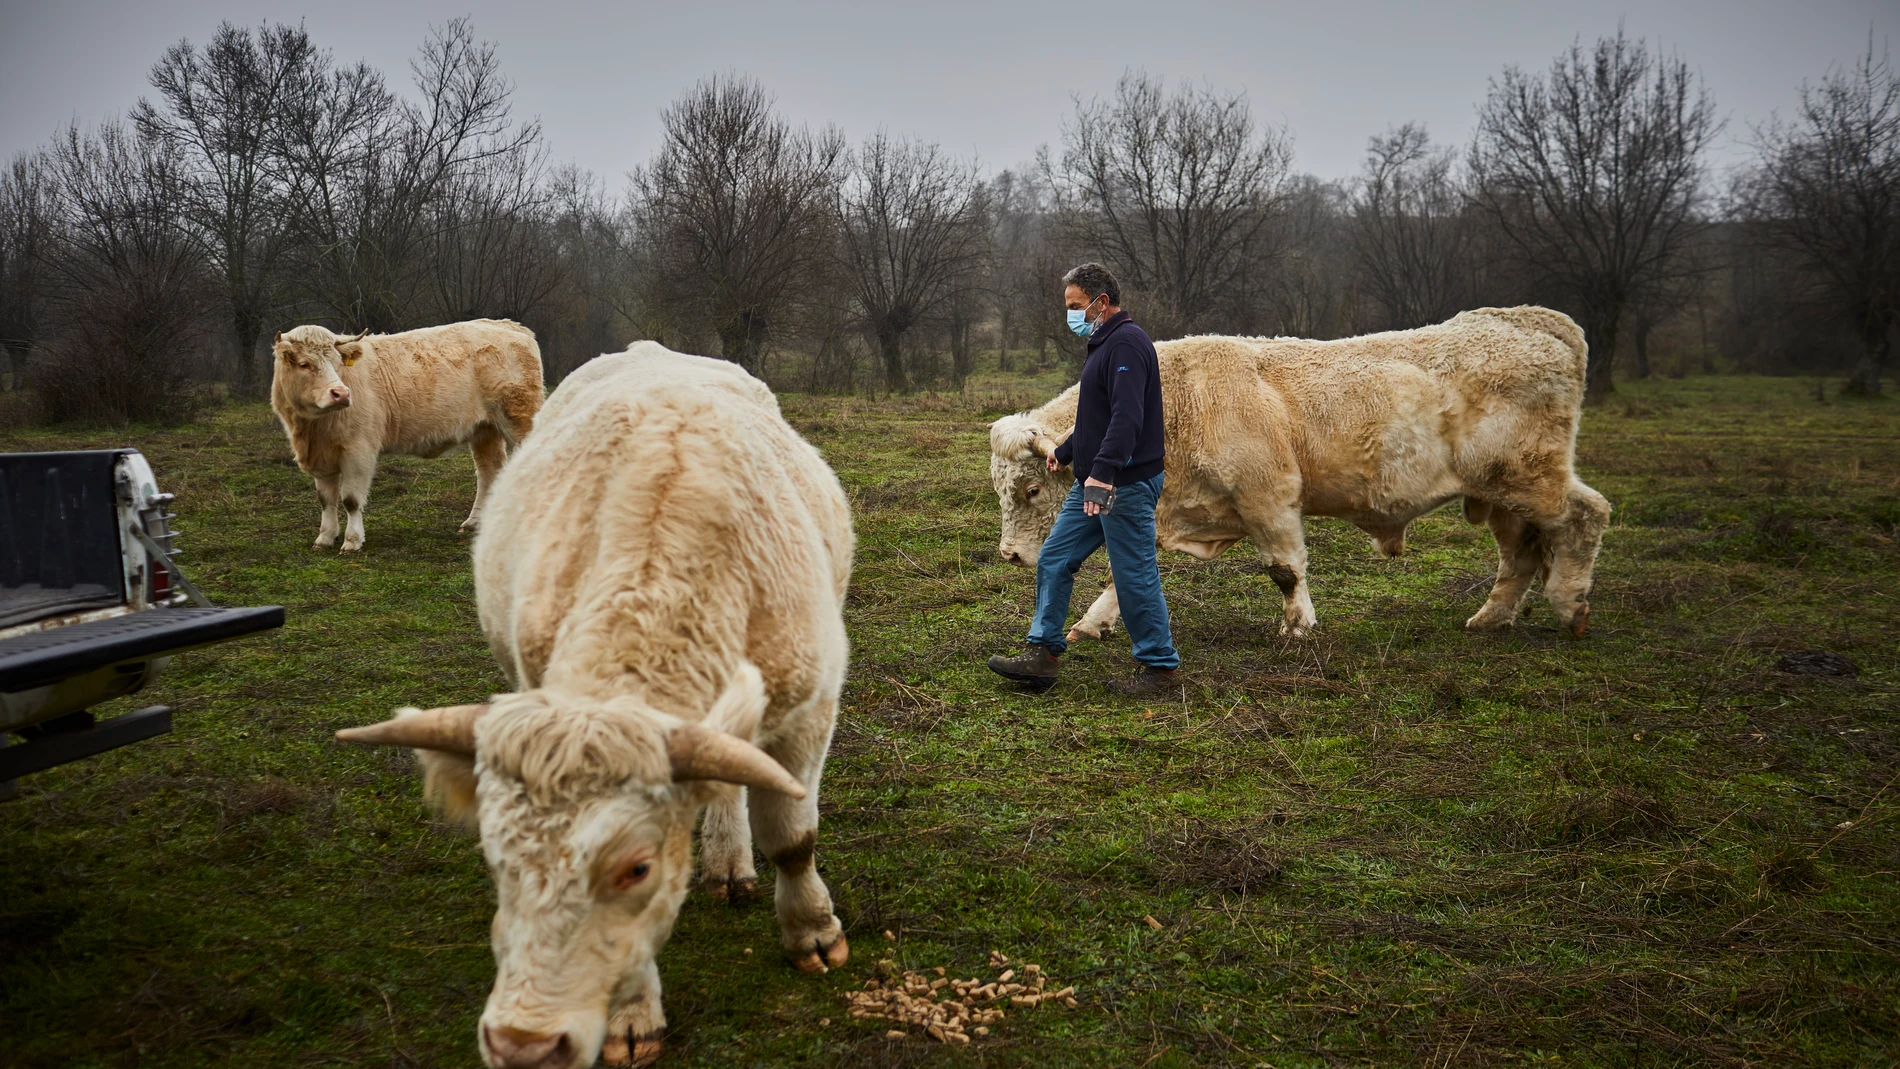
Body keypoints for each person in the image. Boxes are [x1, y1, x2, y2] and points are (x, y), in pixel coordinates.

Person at [987, 262, 1180, 697]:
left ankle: (1160, 670)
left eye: (1077, 306)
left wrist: (1104, 476)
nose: (1072, 314)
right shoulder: (1103, 342)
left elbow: (1128, 419)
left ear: (1102, 302)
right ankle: (1042, 655)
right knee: (1055, 558)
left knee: (1133, 574)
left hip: (1122, 484)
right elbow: (1097, 414)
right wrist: (1068, 451)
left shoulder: (1127, 344)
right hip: (1094, 479)